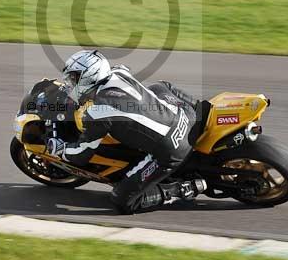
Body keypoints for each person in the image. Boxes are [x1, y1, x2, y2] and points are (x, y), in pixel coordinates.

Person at [45, 49, 207, 214]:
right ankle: (203, 108)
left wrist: (60, 149)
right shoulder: (118, 72)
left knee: (122, 201)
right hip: (187, 114)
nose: (71, 83)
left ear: (89, 77)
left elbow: (81, 155)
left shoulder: (98, 112)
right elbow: (123, 69)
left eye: (74, 78)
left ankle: (181, 189)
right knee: (159, 87)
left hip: (173, 149)